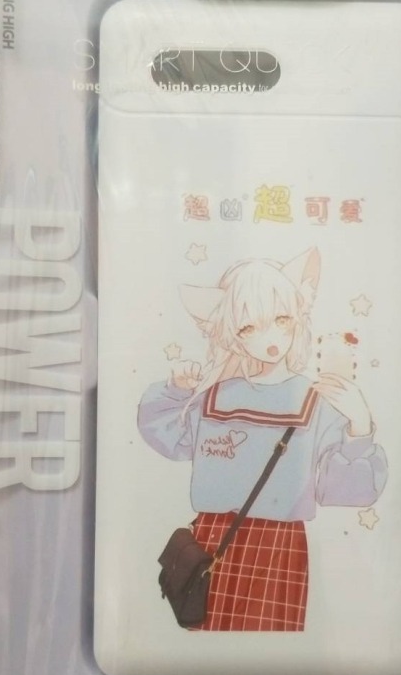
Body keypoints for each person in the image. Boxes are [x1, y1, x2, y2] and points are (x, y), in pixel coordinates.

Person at [138, 247, 387, 631]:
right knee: (205, 634)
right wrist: (176, 389)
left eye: (281, 319)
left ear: (297, 319)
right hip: (211, 538)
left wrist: (360, 426)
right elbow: (169, 438)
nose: (269, 339)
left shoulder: (316, 399)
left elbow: (344, 490)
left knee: (268, 641)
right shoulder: (215, 395)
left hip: (278, 546)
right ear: (230, 333)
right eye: (248, 327)